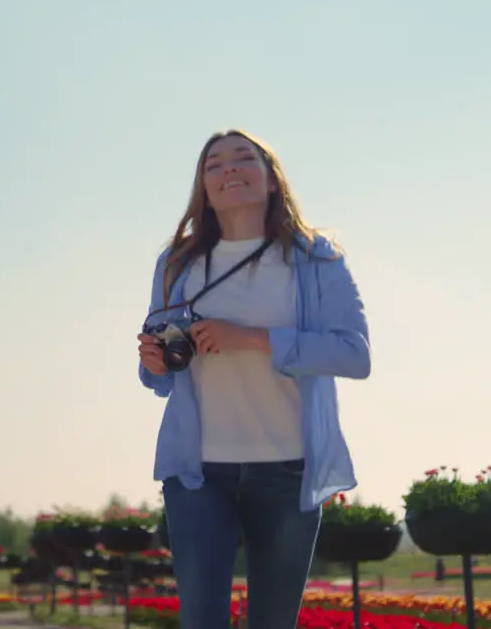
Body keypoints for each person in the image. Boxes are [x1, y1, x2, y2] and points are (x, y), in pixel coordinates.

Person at [136, 129, 371, 629]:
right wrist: (154, 359)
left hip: (286, 471)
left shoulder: (315, 259)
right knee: (201, 621)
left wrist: (249, 337)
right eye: (214, 164)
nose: (230, 169)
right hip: (197, 472)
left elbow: (355, 354)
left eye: (245, 158)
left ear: (271, 180)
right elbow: (155, 371)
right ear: (203, 186)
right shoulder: (175, 263)